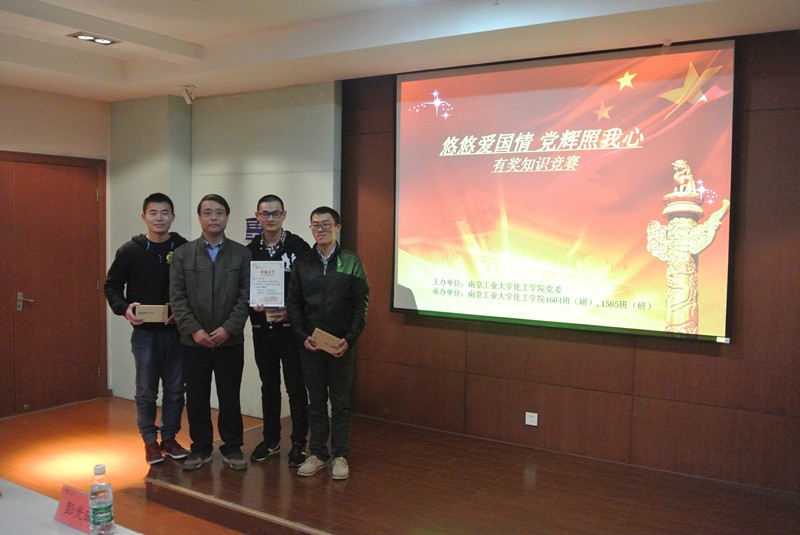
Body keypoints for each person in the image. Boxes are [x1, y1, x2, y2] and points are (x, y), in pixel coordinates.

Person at [104, 192, 190, 465]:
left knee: (175, 390)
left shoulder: (183, 248)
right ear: (144, 216)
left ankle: (170, 438)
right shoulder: (130, 251)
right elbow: (112, 286)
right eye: (153, 213)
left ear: (173, 216)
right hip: (144, 335)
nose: (159, 218)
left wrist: (181, 312)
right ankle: (150, 441)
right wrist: (124, 308)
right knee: (146, 391)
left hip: (177, 333)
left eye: (165, 213)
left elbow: (192, 287)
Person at [169, 194, 252, 471]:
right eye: (207, 212)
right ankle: (201, 448)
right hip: (193, 342)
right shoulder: (182, 254)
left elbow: (246, 297)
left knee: (229, 396)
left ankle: (232, 446)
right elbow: (177, 297)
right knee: (196, 396)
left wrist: (228, 328)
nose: (213, 217)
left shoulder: (242, 254)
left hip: (230, 341)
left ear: (227, 217)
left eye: (219, 212)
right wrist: (194, 330)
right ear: (200, 217)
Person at [287, 206, 369, 480]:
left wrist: (349, 339)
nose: (320, 229)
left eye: (326, 224)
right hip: (311, 345)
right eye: (315, 225)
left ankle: (341, 455)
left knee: (341, 403)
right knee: (316, 402)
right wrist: (302, 336)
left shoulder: (352, 262)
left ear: (337, 227)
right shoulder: (302, 262)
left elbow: (361, 305)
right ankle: (318, 453)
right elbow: (293, 304)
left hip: (340, 346)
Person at [247, 194, 311, 467]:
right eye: (265, 214)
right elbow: (244, 289)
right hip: (262, 329)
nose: (270, 218)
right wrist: (253, 303)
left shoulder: (299, 247)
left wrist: (292, 311)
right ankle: (271, 439)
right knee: (269, 386)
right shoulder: (250, 250)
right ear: (257, 217)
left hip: (291, 331)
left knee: (296, 387)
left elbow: (310, 288)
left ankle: (299, 443)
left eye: (275, 213)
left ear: (284, 215)